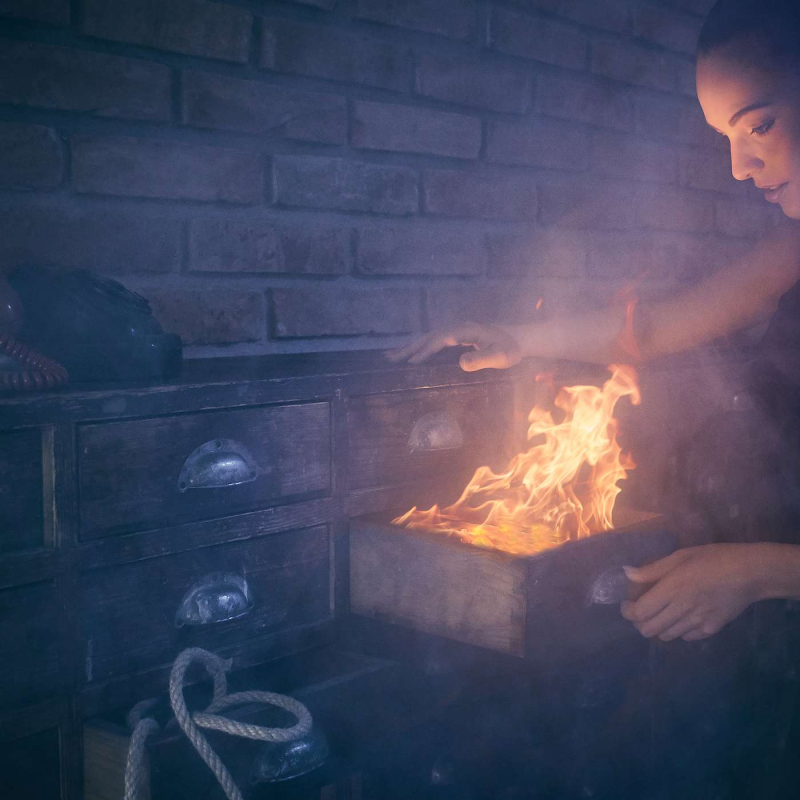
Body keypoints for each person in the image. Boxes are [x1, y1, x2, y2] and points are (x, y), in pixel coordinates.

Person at [388, 0, 800, 643]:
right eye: (727, 139)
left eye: (760, 125)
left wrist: (755, 572)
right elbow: (661, 327)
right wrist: (519, 340)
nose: (738, 167)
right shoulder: (792, 248)